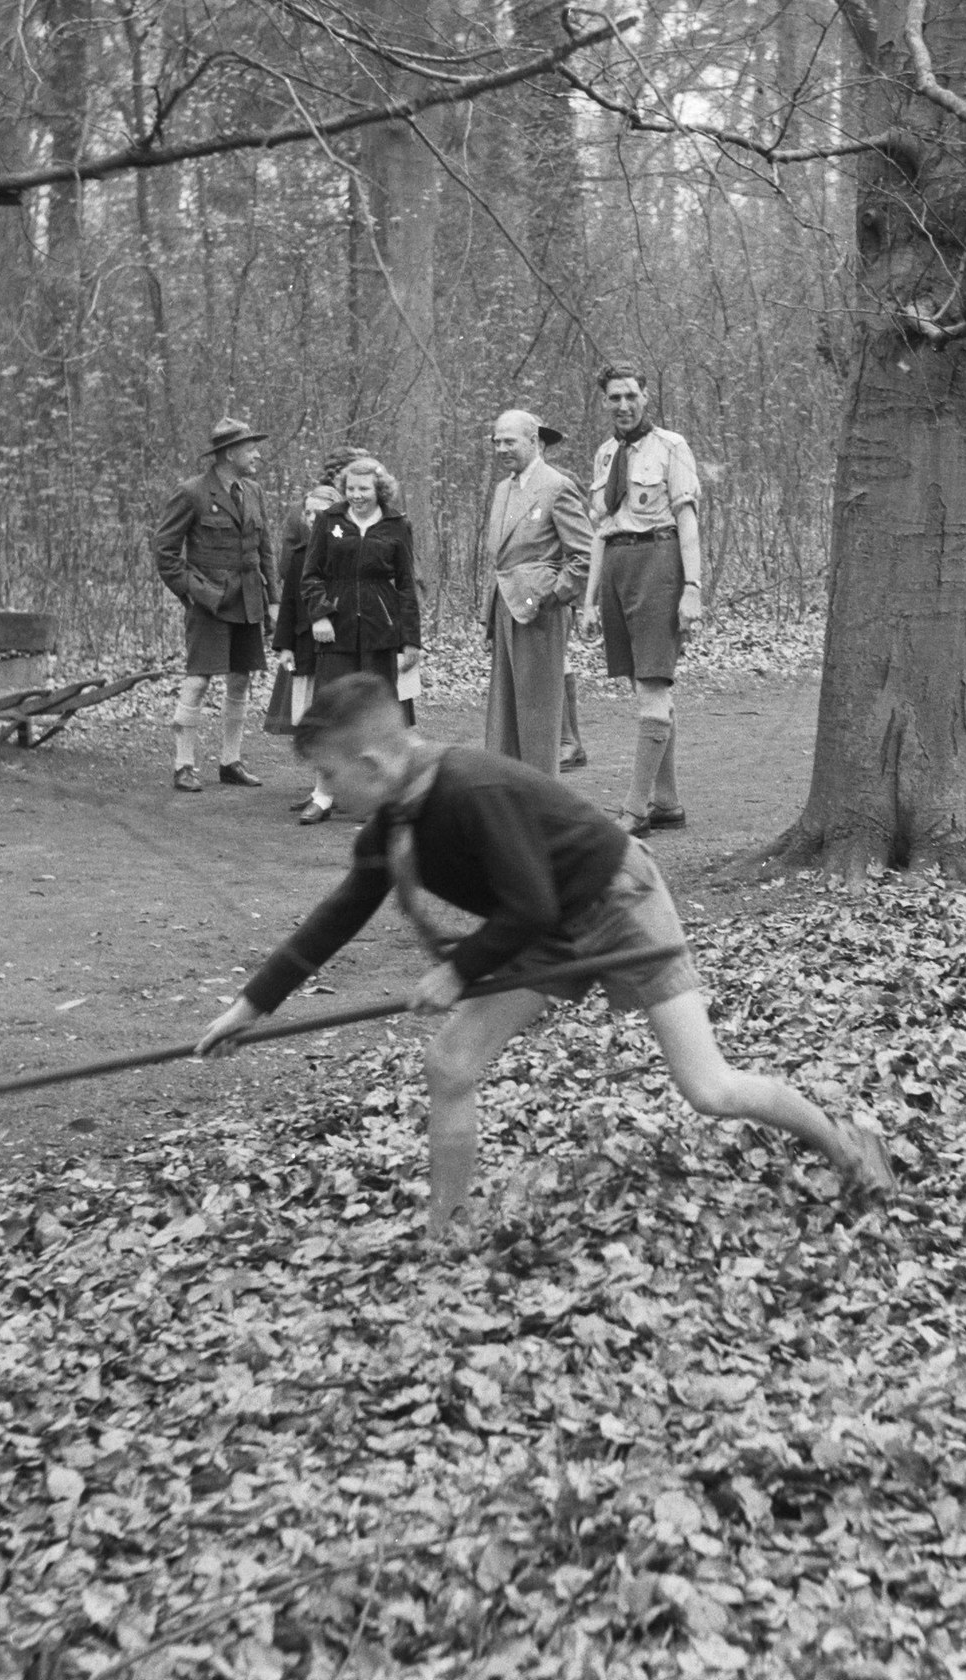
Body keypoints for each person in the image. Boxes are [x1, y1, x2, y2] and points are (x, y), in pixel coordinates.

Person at [195, 674, 894, 1231]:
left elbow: (528, 906)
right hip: (539, 924)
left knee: (709, 1089)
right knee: (450, 1063)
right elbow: (340, 913)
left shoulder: (471, 788)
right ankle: (448, 1232)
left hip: (618, 902)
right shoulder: (391, 822)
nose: (325, 789)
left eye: (328, 774)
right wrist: (251, 1006)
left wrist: (457, 971)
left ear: (372, 764)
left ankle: (844, 1143)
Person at [586, 366, 703, 835]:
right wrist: (589, 600)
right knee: (643, 685)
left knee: (654, 686)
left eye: (631, 395)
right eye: (614, 397)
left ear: (646, 396)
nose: (623, 405)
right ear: (605, 402)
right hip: (618, 567)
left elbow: (687, 520)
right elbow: (601, 528)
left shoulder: (671, 446)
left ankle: (635, 810)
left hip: (659, 562)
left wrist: (692, 588)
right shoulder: (605, 454)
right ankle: (667, 802)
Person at [152, 418, 275, 793]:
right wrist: (191, 592)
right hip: (209, 603)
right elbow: (165, 551)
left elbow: (265, 551)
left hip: (248, 599)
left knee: (241, 678)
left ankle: (230, 761)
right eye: (250, 449)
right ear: (230, 453)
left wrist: (274, 601)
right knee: (199, 679)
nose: (257, 455)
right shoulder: (192, 492)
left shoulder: (253, 491)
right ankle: (183, 765)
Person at [298, 454, 421, 822]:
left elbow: (406, 585)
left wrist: (411, 640)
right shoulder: (329, 521)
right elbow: (310, 575)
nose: (356, 495)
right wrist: (320, 613)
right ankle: (322, 795)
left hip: (380, 631)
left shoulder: (397, 525)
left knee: (376, 713)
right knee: (330, 712)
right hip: (335, 632)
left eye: (364, 489)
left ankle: (380, 799)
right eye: (351, 489)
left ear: (379, 490)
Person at [483, 408, 594, 776]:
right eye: (497, 442)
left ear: (534, 441)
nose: (501, 449)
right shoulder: (503, 488)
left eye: (509, 441)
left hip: (541, 613)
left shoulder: (557, 486)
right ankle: (506, 789)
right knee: (504, 713)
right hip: (505, 607)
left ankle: (541, 794)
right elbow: (502, 557)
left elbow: (584, 555)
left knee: (537, 713)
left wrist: (552, 595)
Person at [275, 446, 365, 819]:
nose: (313, 519)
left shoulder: (353, 544)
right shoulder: (300, 550)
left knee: (343, 715)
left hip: (342, 643)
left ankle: (338, 789)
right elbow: (289, 596)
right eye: (308, 514)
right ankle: (321, 789)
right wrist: (284, 644)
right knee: (311, 717)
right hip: (305, 643)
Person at [539, 424, 592, 771]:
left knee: (556, 658)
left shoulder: (561, 481)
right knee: (556, 660)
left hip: (558, 585)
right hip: (530, 588)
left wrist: (569, 589)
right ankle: (569, 742)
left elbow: (581, 539)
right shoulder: (514, 486)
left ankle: (568, 742)